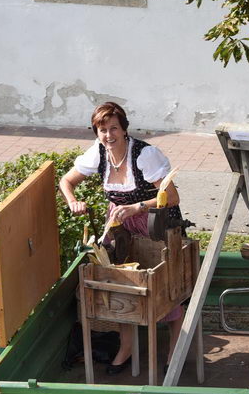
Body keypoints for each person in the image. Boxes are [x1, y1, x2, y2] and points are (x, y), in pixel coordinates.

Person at [59, 102, 184, 374]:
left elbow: (171, 196)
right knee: (120, 282)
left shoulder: (144, 155)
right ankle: (126, 347)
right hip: (120, 227)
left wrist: (138, 207)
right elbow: (65, 181)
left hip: (156, 225)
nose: (108, 135)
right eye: (102, 130)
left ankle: (175, 347)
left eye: (113, 128)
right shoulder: (99, 153)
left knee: (165, 285)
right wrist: (73, 201)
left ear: (124, 129)